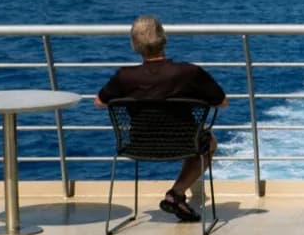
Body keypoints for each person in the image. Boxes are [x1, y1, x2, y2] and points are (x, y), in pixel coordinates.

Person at [95, 14, 226, 222]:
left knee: (194, 138)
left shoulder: (124, 77)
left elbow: (100, 102)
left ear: (134, 45)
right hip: (185, 143)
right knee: (208, 141)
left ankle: (178, 197)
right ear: (164, 39)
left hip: (137, 145)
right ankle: (176, 193)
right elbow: (222, 102)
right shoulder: (189, 73)